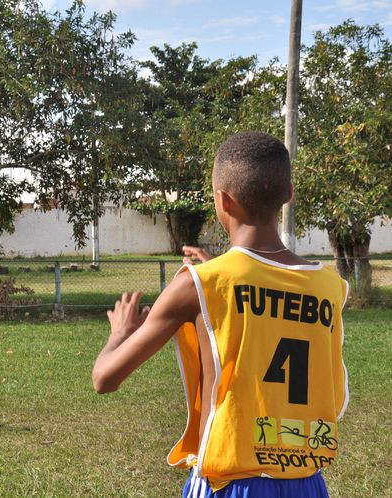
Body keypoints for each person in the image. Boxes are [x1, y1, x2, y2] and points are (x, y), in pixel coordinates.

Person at [92, 132, 348, 497]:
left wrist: (120, 331)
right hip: (306, 482)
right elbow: (269, 303)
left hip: (229, 482)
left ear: (223, 200)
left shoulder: (198, 285)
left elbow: (105, 378)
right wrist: (224, 276)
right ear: (288, 195)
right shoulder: (329, 287)